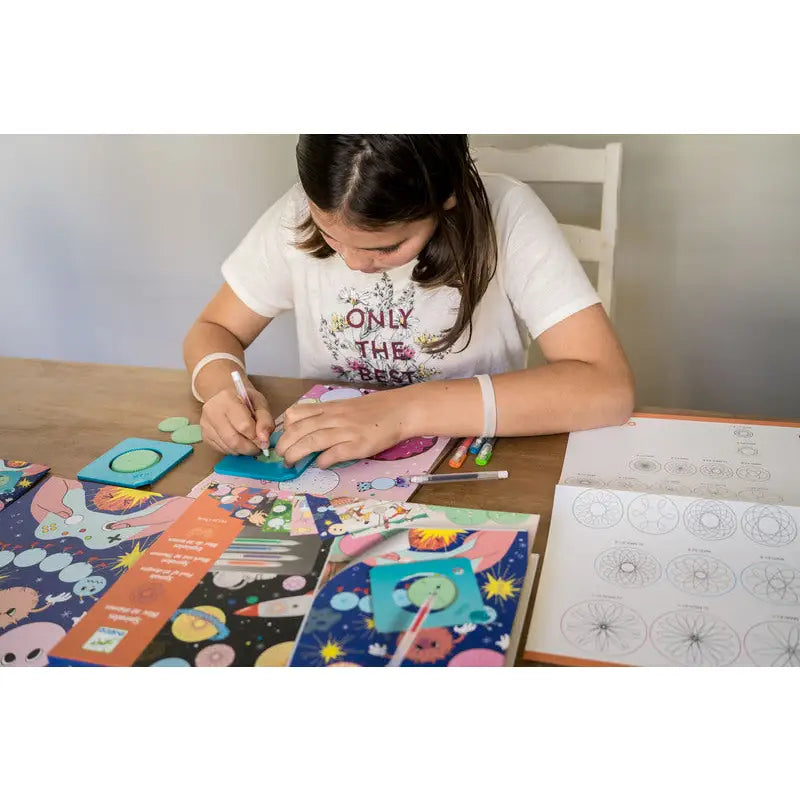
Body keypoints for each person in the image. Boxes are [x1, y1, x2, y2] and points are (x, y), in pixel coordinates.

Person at [183, 135, 634, 468]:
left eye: (386, 248)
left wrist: (403, 410)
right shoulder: (293, 214)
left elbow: (606, 389)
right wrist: (222, 389)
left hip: (469, 465)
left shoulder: (507, 214)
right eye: (330, 236)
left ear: (445, 200)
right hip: (329, 469)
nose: (356, 264)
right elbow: (214, 330)